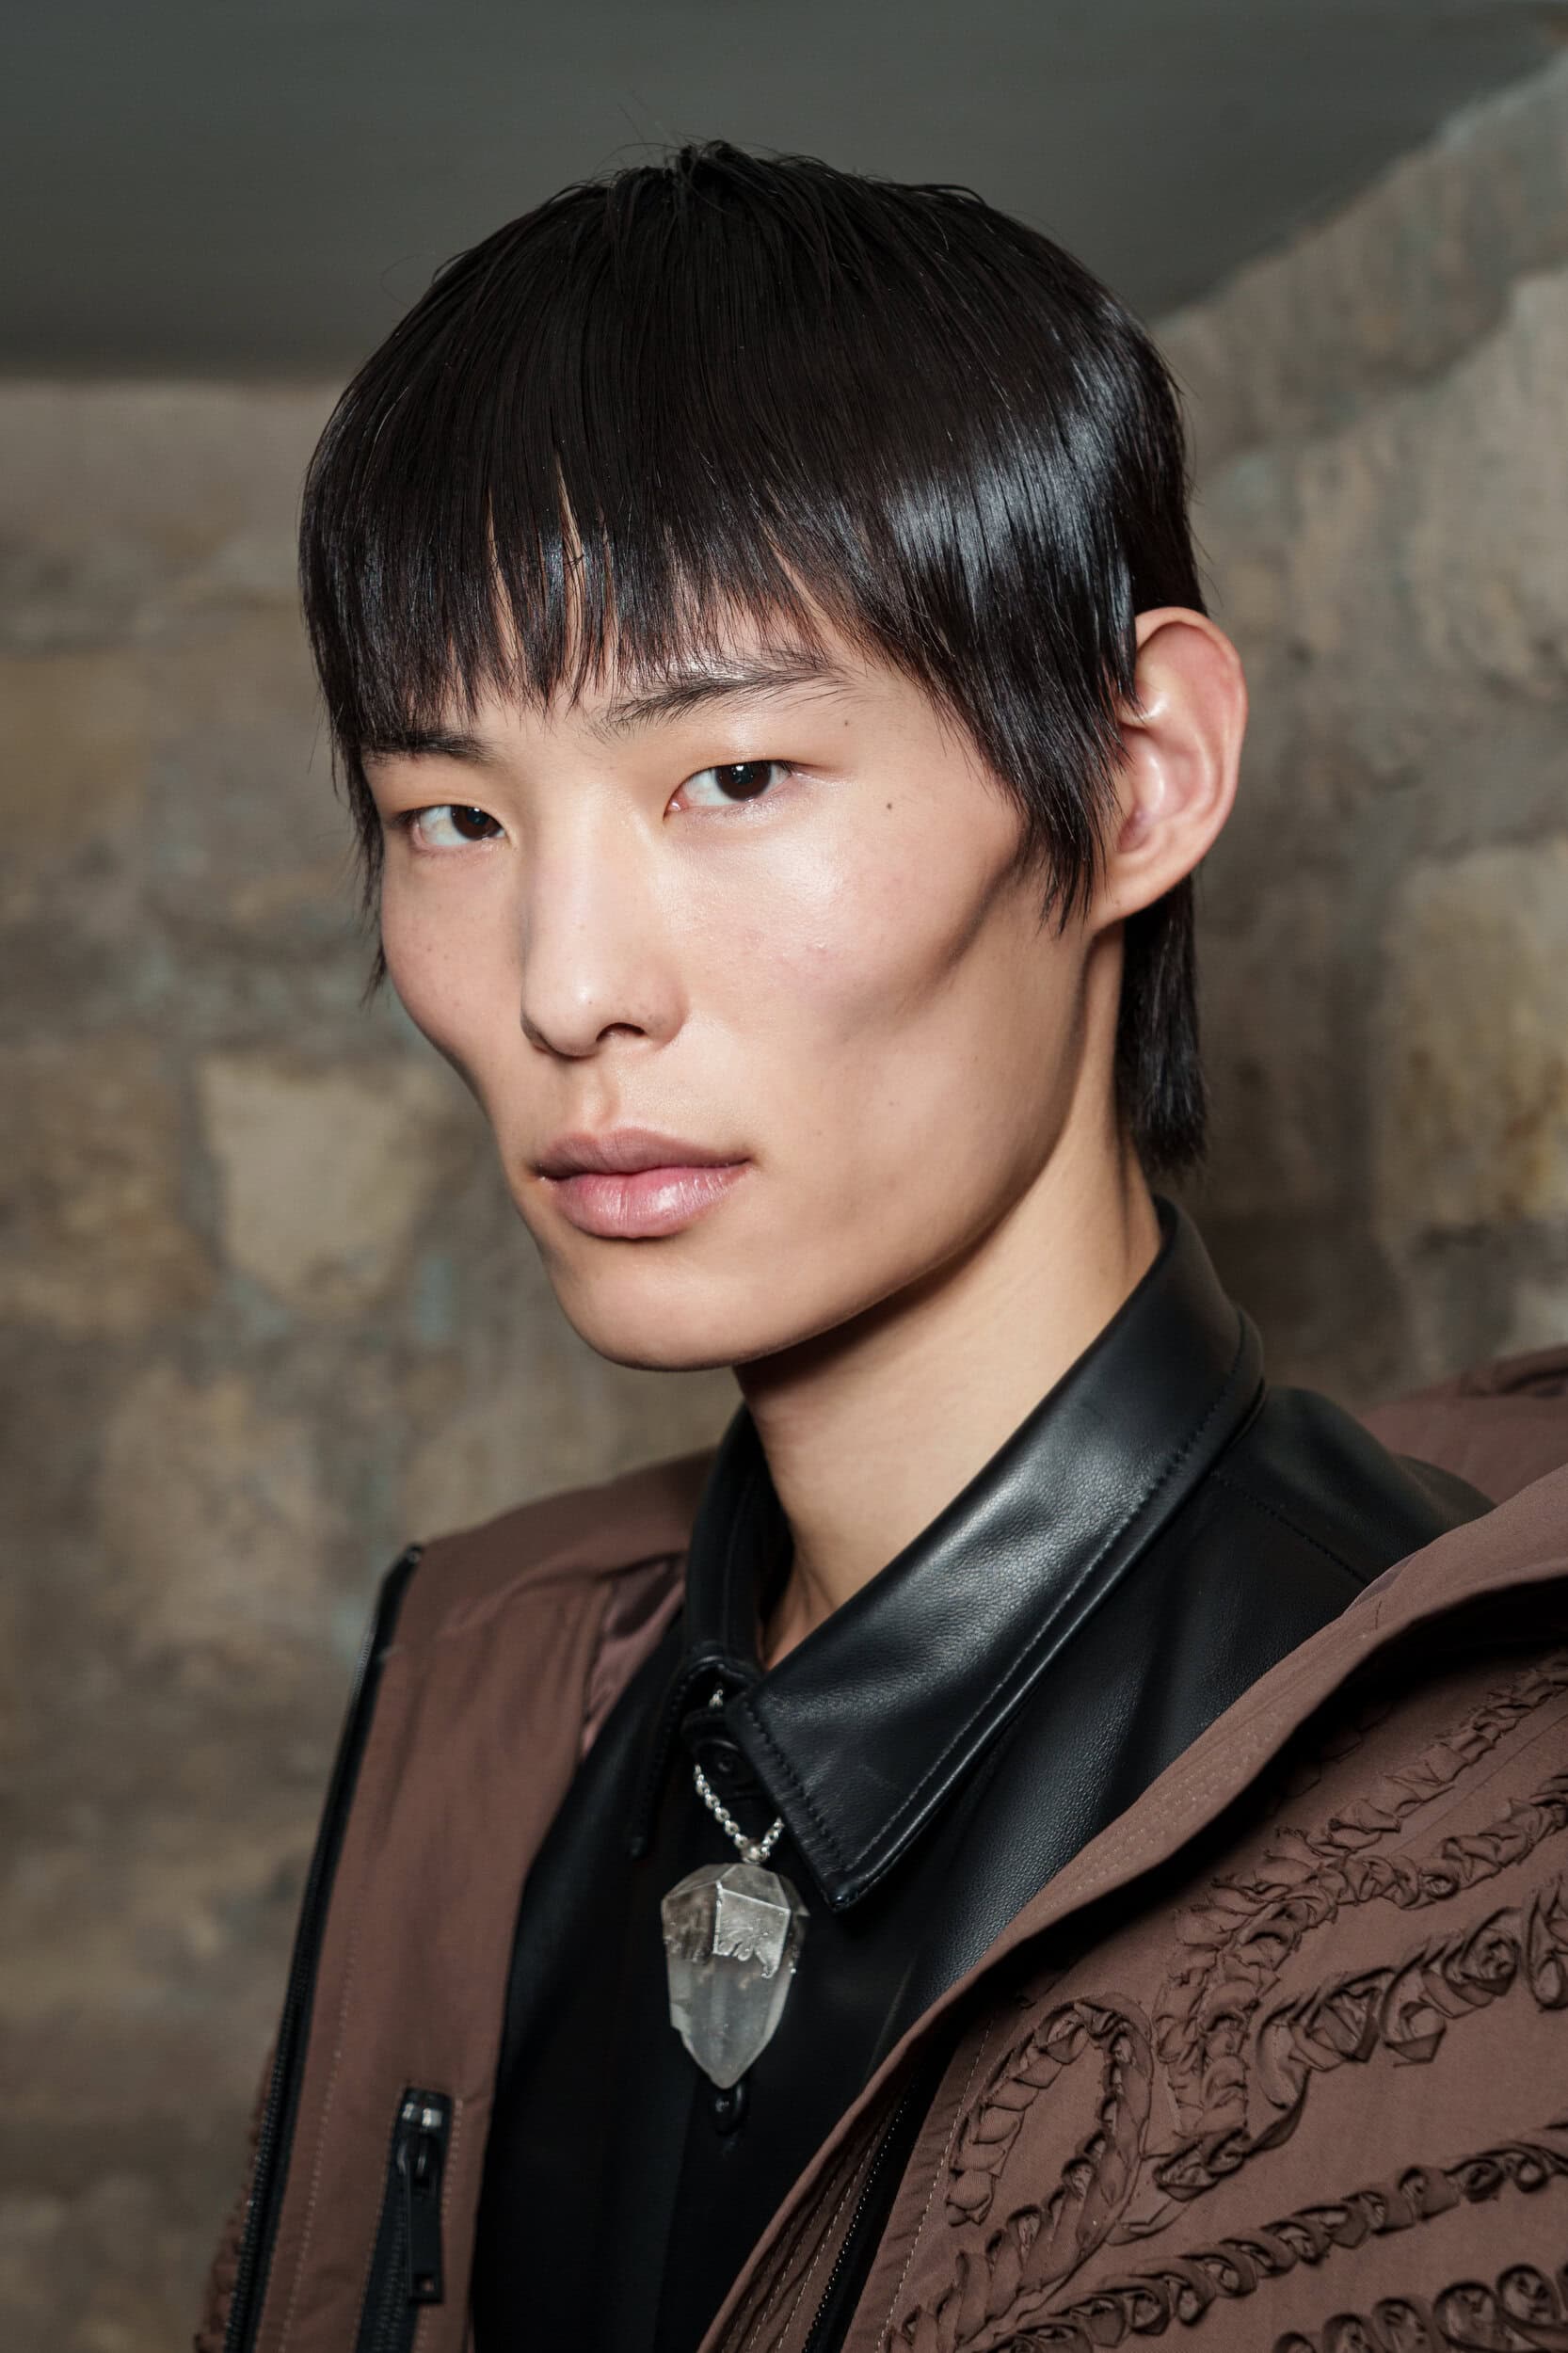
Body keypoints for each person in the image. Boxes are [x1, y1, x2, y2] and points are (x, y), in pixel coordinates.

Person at [197, 143, 1568, 2353]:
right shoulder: (492, 1693)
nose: (562, 985)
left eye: (733, 776)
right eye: (451, 815)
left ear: (1135, 774)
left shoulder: (1476, 1835)